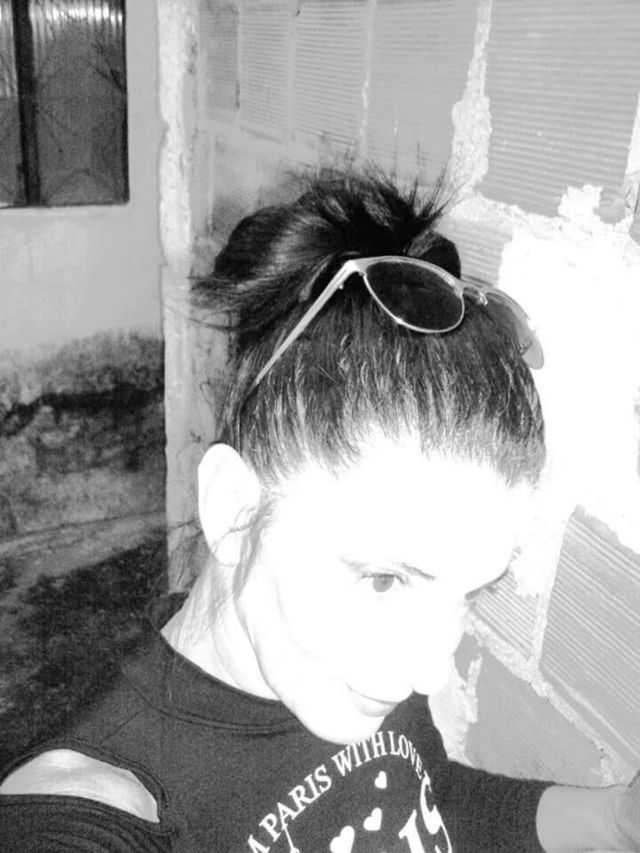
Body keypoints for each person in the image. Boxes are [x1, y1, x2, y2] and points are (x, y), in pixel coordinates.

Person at [0, 169, 638, 852]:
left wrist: (613, 823)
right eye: (385, 580)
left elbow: (422, 793)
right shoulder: (103, 809)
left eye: (466, 594)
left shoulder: (353, 668)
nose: (429, 670)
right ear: (234, 508)